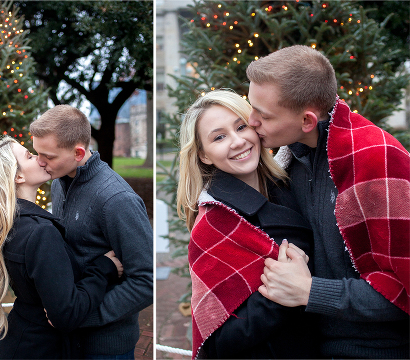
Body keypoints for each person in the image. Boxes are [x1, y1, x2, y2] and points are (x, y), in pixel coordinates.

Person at [247, 45, 410, 358]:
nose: (251, 120)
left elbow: (402, 290)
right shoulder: (291, 159)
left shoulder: (377, 159)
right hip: (308, 341)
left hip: (375, 349)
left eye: (263, 115)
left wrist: (311, 292)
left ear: (307, 120)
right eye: (250, 107)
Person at [176, 90, 317, 358]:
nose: (238, 141)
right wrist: (285, 292)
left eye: (241, 126)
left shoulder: (292, 184)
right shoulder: (215, 225)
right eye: (219, 137)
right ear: (204, 155)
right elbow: (218, 340)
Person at [0, 136, 123, 359]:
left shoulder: (9, 224)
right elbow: (66, 315)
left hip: (21, 339)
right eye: (30, 156)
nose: (40, 159)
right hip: (40, 348)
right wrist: (104, 267)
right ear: (18, 176)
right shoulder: (39, 232)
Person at [30, 105, 153, 359]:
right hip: (69, 338)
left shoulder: (116, 199)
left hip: (106, 346)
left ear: (78, 152)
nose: (40, 163)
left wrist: (83, 316)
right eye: (36, 154)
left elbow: (146, 281)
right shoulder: (58, 184)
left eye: (48, 156)